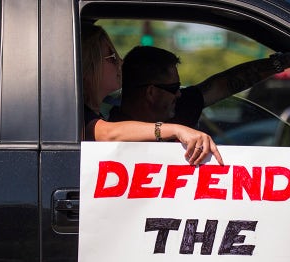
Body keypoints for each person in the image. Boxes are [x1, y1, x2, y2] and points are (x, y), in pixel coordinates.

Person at [81, 24, 222, 166]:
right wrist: (176, 130)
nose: (120, 62)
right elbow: (107, 133)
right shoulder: (78, 116)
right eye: (111, 57)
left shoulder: (90, 114)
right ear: (90, 64)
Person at [111, 45, 290, 127]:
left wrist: (285, 62)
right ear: (151, 92)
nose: (179, 94)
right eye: (173, 89)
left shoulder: (177, 108)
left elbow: (226, 83)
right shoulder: (108, 134)